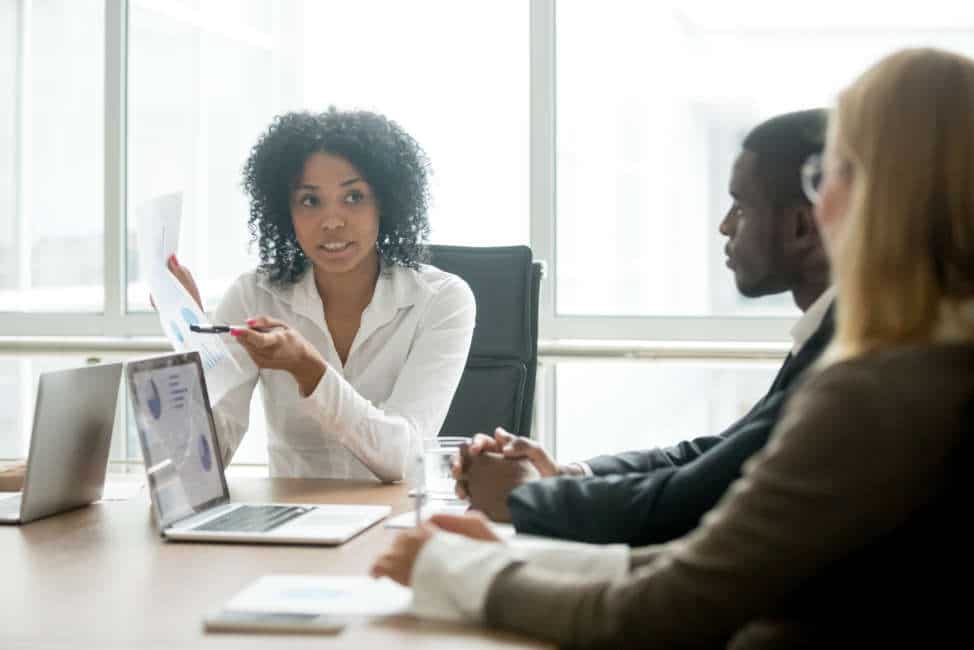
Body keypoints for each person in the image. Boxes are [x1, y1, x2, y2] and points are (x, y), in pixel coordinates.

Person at [373, 47, 974, 647]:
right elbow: (735, 562)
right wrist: (525, 559)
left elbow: (667, 610)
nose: (822, 205)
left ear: (879, 195)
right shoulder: (930, 365)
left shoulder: (880, 390)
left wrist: (455, 569)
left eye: (828, 174)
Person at [454, 109, 834, 546]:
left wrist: (529, 497)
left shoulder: (845, 355)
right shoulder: (825, 333)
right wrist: (570, 475)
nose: (725, 225)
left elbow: (690, 502)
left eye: (741, 206)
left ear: (801, 225)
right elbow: (717, 455)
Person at [169, 108, 475, 482]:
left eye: (353, 197)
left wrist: (309, 369)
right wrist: (195, 341)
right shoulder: (253, 296)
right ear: (286, 211)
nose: (332, 221)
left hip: (397, 523)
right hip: (290, 524)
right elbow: (201, 464)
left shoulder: (441, 300)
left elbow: (402, 456)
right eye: (310, 201)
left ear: (384, 201)